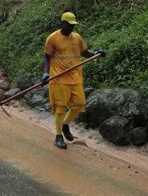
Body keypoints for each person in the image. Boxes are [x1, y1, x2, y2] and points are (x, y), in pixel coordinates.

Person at [43, 12, 105, 149]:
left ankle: (65, 124)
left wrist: (97, 54)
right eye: (69, 25)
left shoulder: (77, 38)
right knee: (60, 108)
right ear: (63, 23)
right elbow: (47, 57)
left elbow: (85, 53)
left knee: (79, 105)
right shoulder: (52, 38)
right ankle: (58, 136)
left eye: (73, 25)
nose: (71, 28)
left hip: (75, 77)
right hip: (58, 77)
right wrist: (45, 73)